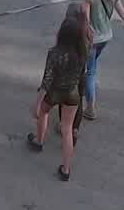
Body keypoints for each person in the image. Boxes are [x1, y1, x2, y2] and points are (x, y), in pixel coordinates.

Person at [27, 14, 89, 181]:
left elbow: (46, 80)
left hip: (55, 92)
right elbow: (83, 75)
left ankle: (39, 141)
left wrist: (37, 104)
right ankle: (66, 169)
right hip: (72, 94)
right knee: (67, 129)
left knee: (44, 112)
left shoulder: (54, 53)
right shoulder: (82, 53)